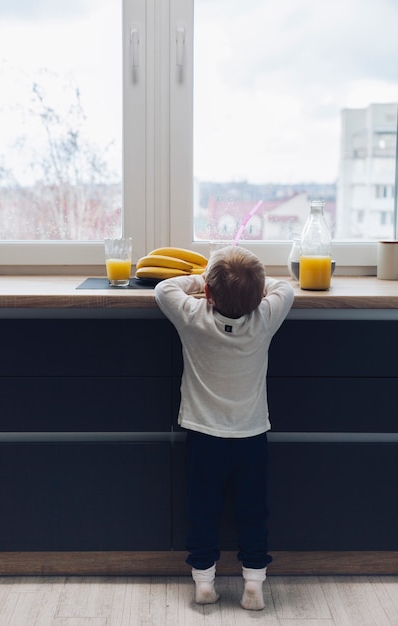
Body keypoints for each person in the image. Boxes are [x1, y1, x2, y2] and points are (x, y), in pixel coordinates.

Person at [154, 245, 294, 610]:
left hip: (204, 437)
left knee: (202, 509)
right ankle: (253, 585)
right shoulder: (265, 317)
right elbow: (286, 290)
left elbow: (163, 289)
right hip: (250, 436)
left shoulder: (192, 314)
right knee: (253, 510)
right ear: (260, 294)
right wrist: (256, 287)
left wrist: (200, 280)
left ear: (208, 292)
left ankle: (204, 583)